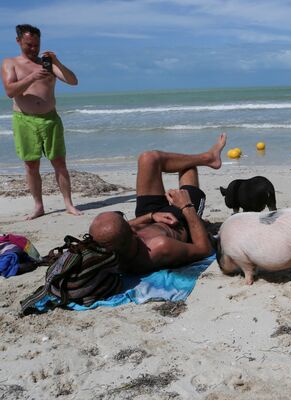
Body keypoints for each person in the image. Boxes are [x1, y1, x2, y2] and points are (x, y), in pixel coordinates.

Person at [89, 133, 227, 274]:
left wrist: (151, 216)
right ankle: (209, 158)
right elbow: (204, 250)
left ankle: (208, 158)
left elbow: (121, 230)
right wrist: (186, 206)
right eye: (123, 219)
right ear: (132, 233)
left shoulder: (115, 244)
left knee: (148, 158)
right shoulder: (160, 247)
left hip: (154, 217)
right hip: (180, 223)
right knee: (187, 168)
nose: (130, 223)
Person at [1, 24, 80, 220]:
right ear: (19, 41)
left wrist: (57, 62)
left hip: (50, 118)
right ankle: (38, 206)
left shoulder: (48, 64)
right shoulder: (10, 63)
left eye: (36, 45)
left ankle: (68, 204)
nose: (34, 49)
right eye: (29, 45)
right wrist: (33, 76)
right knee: (31, 164)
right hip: (24, 119)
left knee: (59, 162)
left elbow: (72, 81)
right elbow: (10, 91)